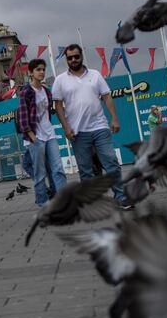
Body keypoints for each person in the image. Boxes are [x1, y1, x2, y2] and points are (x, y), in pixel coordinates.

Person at [52, 44, 131, 209]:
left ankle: (121, 197)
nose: (73, 60)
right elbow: (58, 106)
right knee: (85, 169)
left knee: (110, 161)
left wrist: (114, 119)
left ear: (81, 56)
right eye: (70, 57)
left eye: (76, 56)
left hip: (100, 127)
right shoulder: (60, 80)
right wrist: (66, 128)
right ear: (67, 59)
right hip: (77, 131)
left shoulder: (95, 75)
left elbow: (107, 97)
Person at [18, 59, 67, 207]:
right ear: (30, 73)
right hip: (35, 137)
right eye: (38, 70)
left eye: (43, 69)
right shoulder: (26, 91)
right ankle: (42, 202)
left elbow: (47, 113)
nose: (41, 72)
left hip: (49, 134)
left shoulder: (46, 91)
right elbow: (23, 117)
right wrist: (32, 137)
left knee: (57, 168)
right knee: (40, 173)